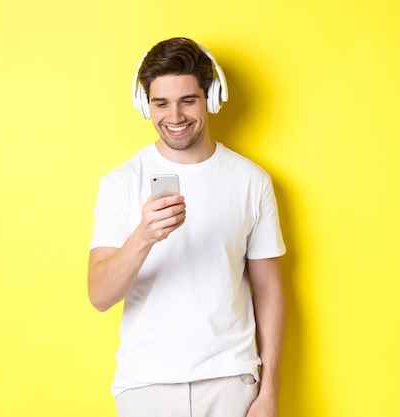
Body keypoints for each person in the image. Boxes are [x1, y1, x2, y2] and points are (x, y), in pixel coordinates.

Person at [88, 37, 286, 417]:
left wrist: (270, 391)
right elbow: (100, 295)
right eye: (161, 103)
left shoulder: (250, 180)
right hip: (146, 385)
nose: (174, 116)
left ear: (211, 98)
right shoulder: (121, 182)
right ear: (144, 104)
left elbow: (269, 290)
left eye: (188, 100)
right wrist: (144, 236)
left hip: (232, 382)